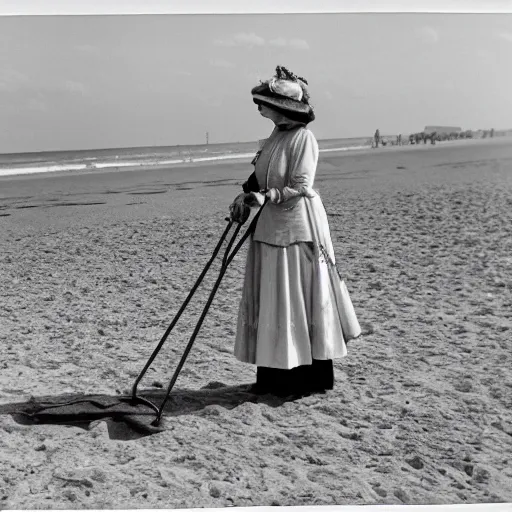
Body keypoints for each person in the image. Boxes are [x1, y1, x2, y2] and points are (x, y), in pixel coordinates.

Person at [229, 66, 361, 397]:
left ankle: (307, 378)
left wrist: (265, 196)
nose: (259, 108)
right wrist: (246, 195)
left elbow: (301, 185)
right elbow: (260, 176)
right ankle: (275, 377)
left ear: (282, 107)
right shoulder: (275, 137)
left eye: (265, 102)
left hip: (298, 227)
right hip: (270, 225)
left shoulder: (304, 138)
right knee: (276, 296)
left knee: (297, 296)